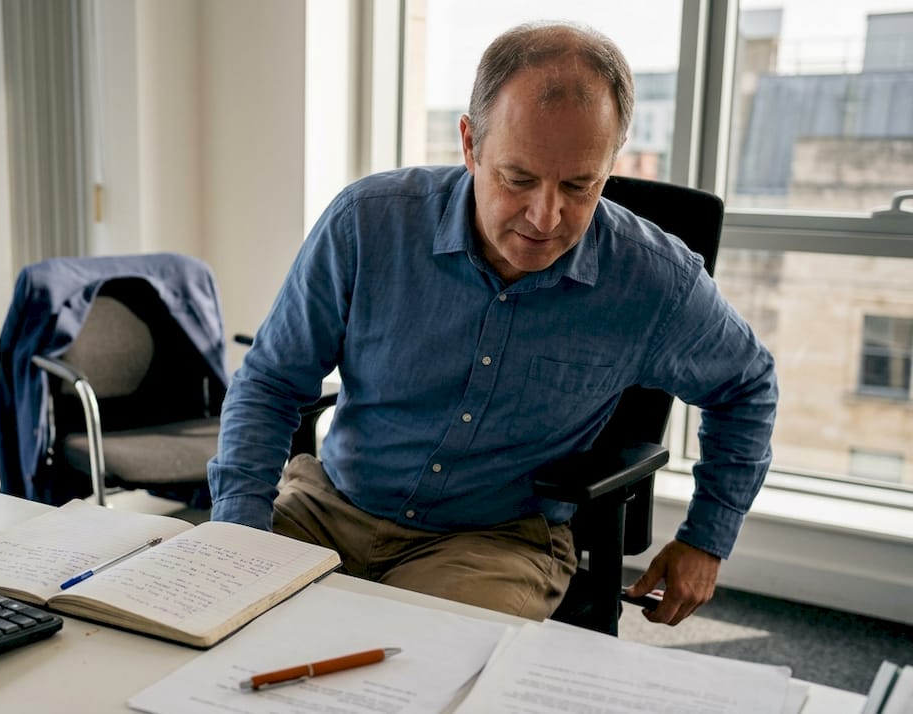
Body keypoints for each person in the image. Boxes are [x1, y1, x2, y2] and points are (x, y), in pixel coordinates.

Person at [206, 21, 777, 627]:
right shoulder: (367, 224)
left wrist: (706, 539)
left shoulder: (654, 280)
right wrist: (241, 528)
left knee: (419, 670)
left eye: (580, 186)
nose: (546, 216)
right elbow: (270, 381)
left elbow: (747, 385)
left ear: (611, 165)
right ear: (471, 144)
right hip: (329, 506)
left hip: (495, 544)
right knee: (204, 622)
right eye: (519, 178)